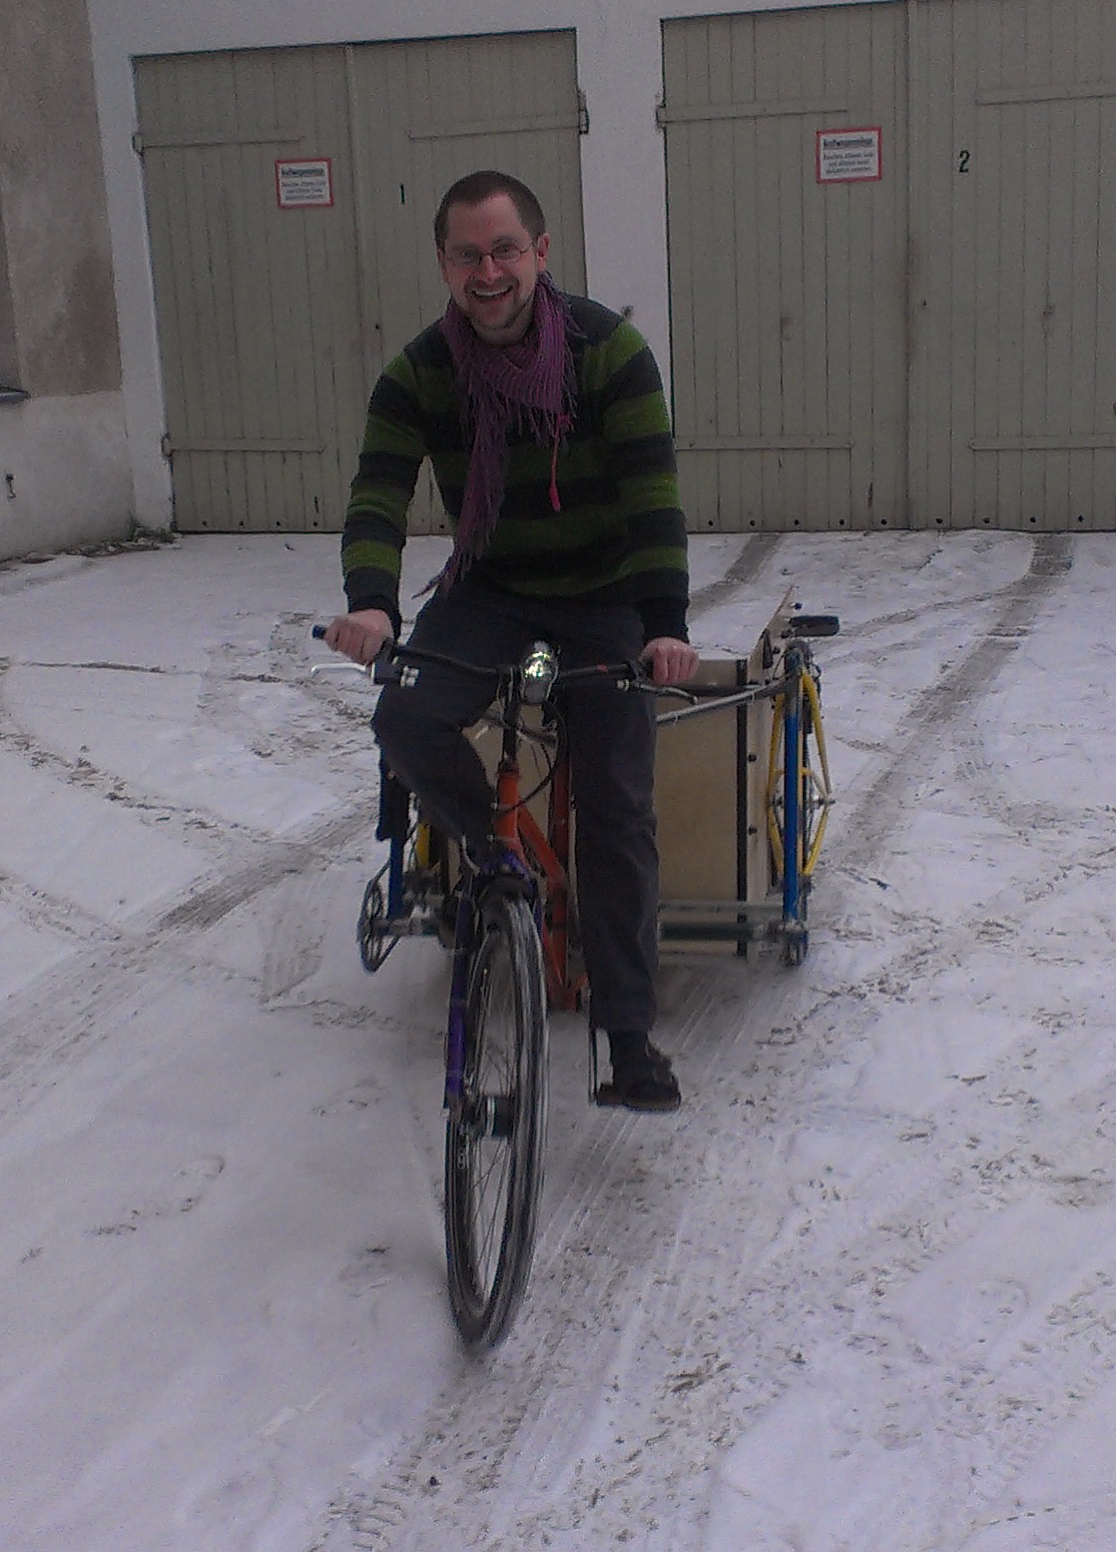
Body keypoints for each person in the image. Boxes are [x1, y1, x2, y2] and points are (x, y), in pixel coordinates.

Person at [322, 170, 697, 1113]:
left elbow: (654, 500)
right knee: (405, 719)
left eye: (504, 251)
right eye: (467, 256)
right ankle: (497, 862)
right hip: (487, 589)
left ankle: (628, 1037)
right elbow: (378, 492)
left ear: (539, 253)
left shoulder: (608, 354)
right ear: (444, 264)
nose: (487, 273)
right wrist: (373, 605)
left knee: (617, 803)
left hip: (602, 596)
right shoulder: (421, 372)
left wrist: (664, 626)